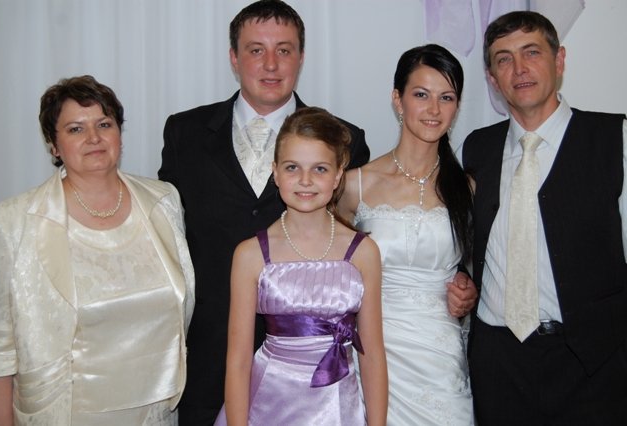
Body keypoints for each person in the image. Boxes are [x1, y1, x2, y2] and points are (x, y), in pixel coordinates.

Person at [157, 1, 371, 424]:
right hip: (208, 361)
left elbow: (358, 247)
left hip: (312, 381)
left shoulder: (346, 138)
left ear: (301, 57)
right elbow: (164, 238)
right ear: (234, 58)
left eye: (284, 50)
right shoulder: (185, 133)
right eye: (256, 50)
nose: (271, 64)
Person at [0, 75, 195, 425]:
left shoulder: (164, 201)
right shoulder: (15, 220)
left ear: (119, 134)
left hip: (157, 413)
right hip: (64, 414)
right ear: (54, 146)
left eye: (104, 124)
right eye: (75, 129)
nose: (94, 137)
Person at [462, 11, 627, 425]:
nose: (519, 68)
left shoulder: (616, 140)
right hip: (498, 364)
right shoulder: (477, 149)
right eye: (503, 59)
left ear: (560, 60)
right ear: (492, 78)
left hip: (594, 364)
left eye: (531, 52)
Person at [215, 107, 387, 426]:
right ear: (275, 172)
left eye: (320, 169)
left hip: (338, 409)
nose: (305, 180)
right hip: (267, 407)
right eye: (292, 167)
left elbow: (373, 355)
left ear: (338, 176)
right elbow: (238, 361)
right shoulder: (251, 255)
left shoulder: (363, 252)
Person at [339, 44, 475, 425]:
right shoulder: (355, 185)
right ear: (397, 100)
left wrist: (469, 287)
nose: (434, 109)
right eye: (421, 95)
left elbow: (477, 267)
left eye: (446, 97)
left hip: (440, 360)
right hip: (373, 350)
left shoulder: (467, 188)